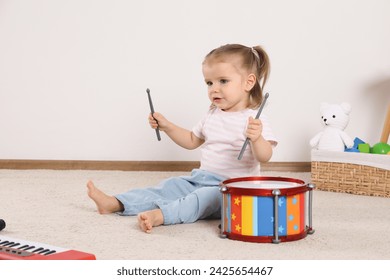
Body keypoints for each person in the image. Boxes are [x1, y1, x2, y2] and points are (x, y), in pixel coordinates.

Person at [87, 43, 278, 233]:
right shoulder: (212, 114)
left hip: (233, 191)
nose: (214, 89)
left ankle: (161, 215)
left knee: (199, 199)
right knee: (170, 187)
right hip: (201, 178)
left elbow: (265, 156)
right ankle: (116, 203)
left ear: (249, 82)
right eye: (209, 83)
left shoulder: (253, 119)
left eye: (223, 81)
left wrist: (256, 138)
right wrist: (167, 126)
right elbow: (191, 140)